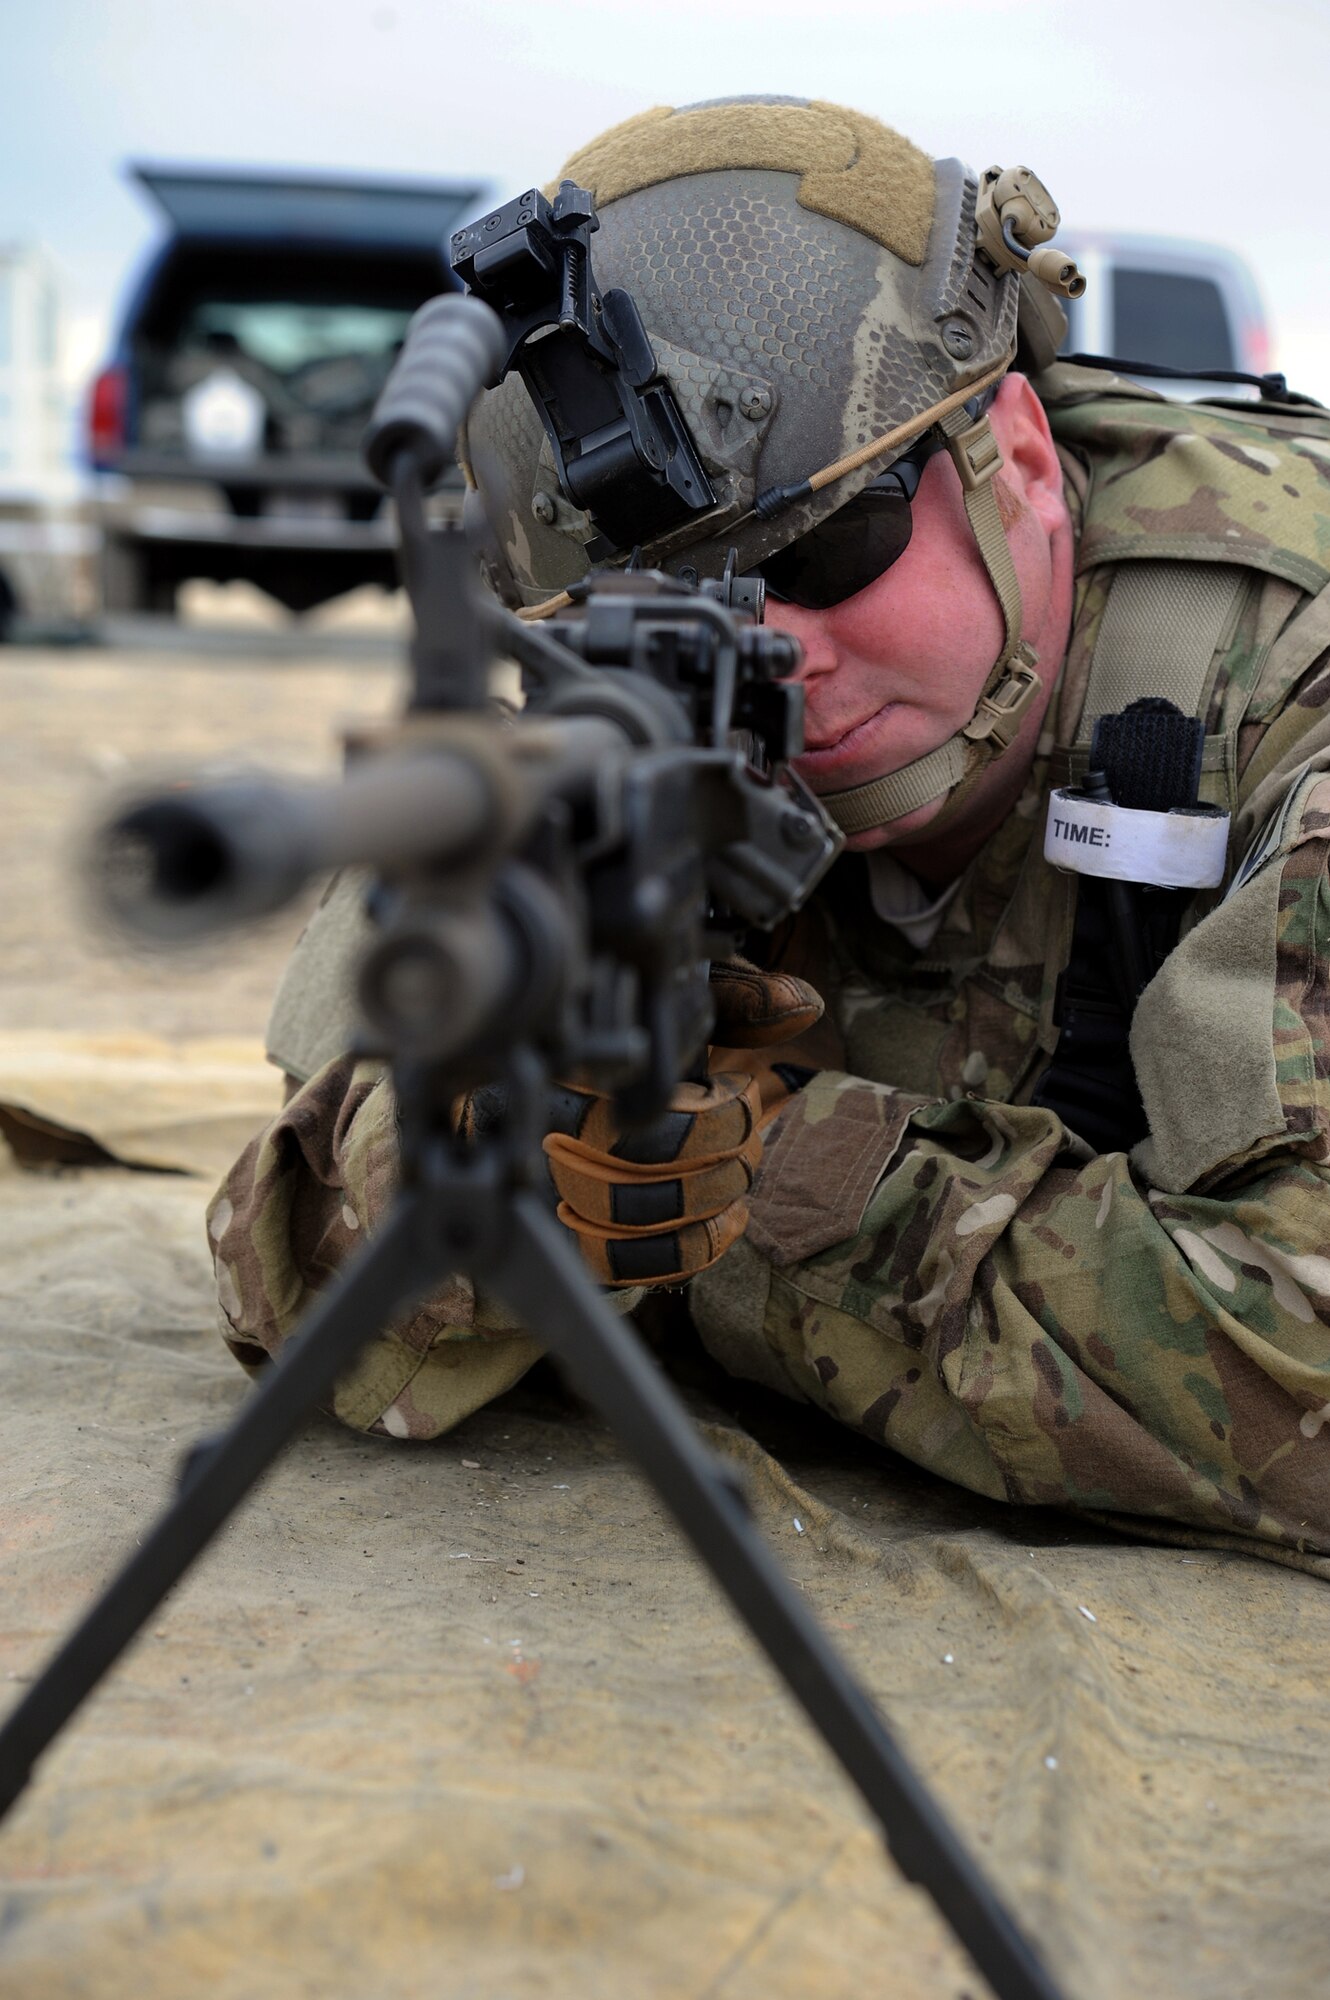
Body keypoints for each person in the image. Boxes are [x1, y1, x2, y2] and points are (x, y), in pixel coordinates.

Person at [208, 97, 1330, 1564]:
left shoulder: (1275, 666)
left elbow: (1297, 1386)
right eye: (649, 622)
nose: (775, 652)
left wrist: (764, 1200)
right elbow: (293, 1273)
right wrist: (513, 1156)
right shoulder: (595, 738)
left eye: (825, 549)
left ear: (1021, 460)